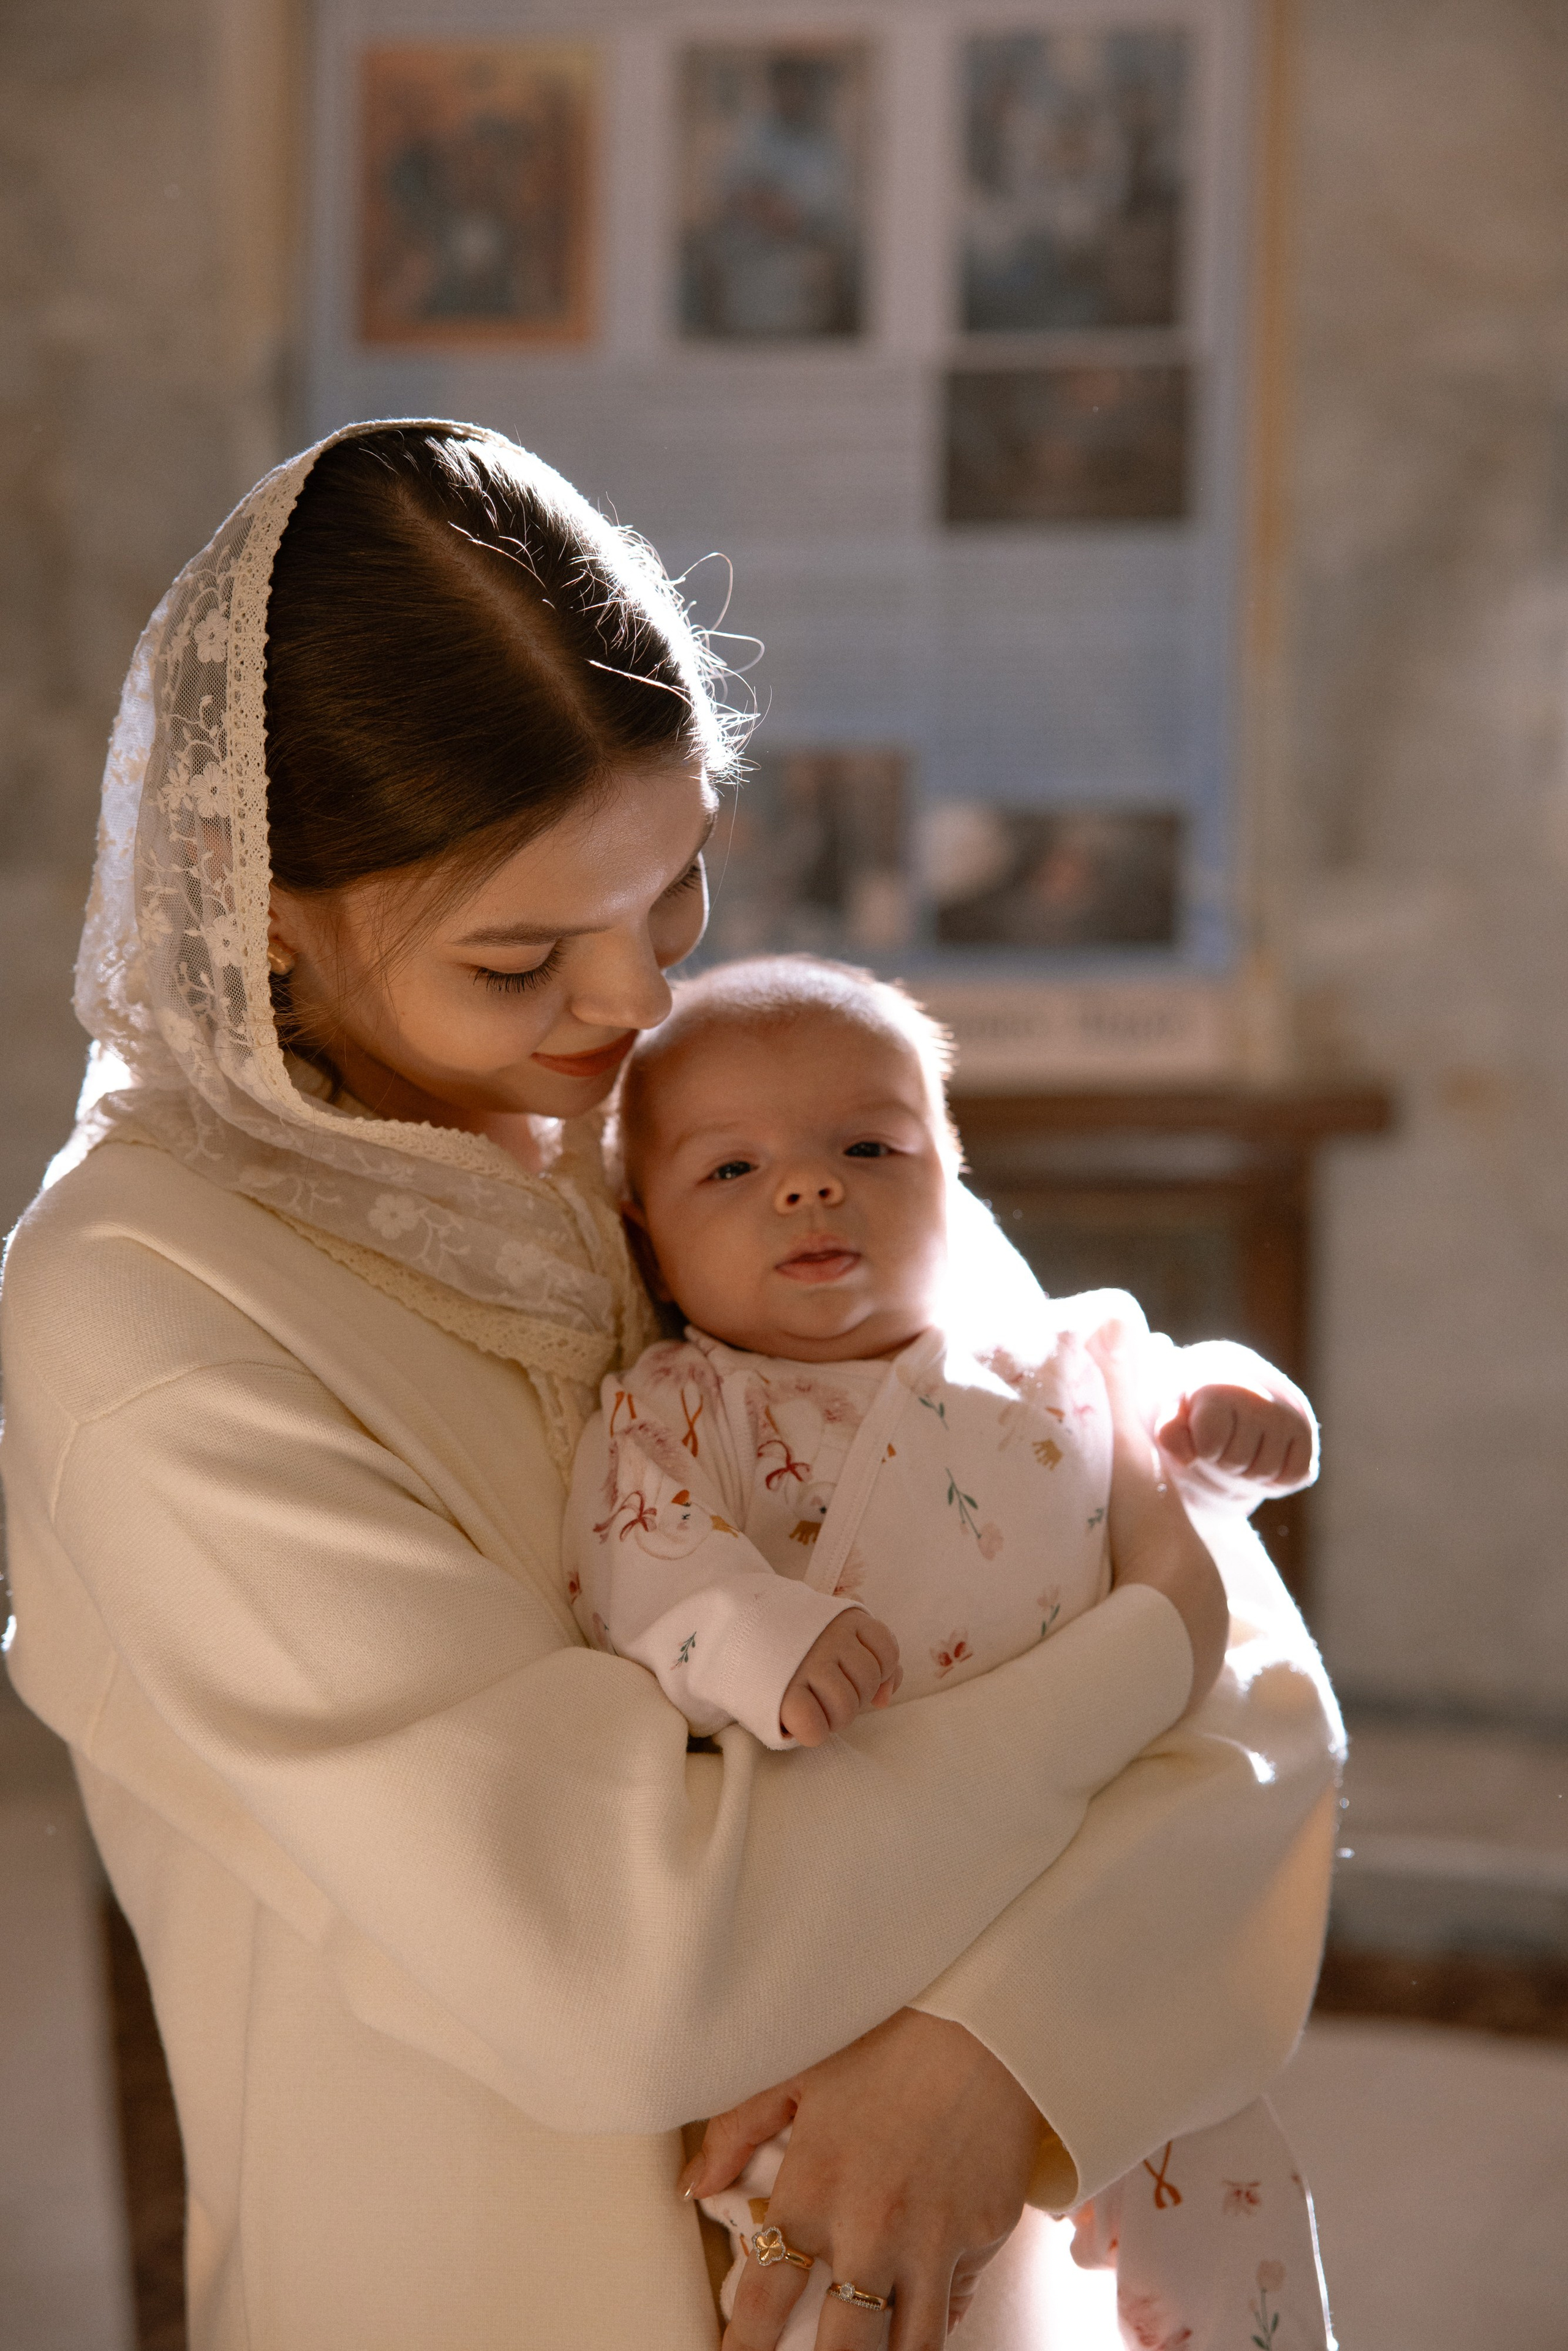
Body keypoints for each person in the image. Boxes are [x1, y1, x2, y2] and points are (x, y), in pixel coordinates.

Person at [0, 421, 1341, 2351]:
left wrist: (1001, 2055)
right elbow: (617, 1955)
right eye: (521, 955)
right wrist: (1136, 1656)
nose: (635, 1009)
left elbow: (1265, 1715)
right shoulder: (144, 1299)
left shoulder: (696, 1128)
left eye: (678, 891)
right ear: (257, 910)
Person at [568, 955, 1332, 2349]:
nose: (808, 1185)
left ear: (951, 1167)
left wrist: (1237, 1403)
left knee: (1210, 2188)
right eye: (731, 1168)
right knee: (839, 2255)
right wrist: (752, 1630)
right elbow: (643, 1560)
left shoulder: (1060, 1346)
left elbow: (1171, 1447)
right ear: (642, 1232)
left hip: (1077, 1881)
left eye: (868, 1144)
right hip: (858, 1905)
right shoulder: (682, 1405)